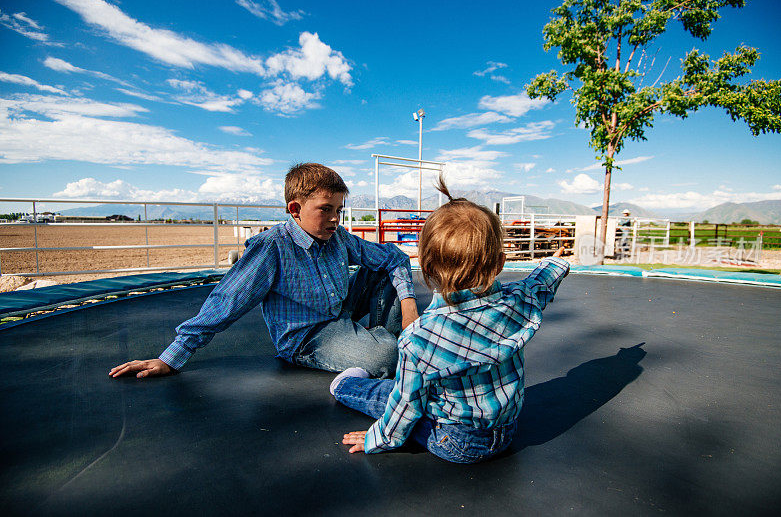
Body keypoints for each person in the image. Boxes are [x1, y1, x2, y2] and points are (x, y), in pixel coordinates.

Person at [329, 177, 570, 463]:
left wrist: (377, 438)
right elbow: (542, 282)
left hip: (457, 443)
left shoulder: (421, 336)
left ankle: (343, 387)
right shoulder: (519, 300)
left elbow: (405, 406)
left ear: (427, 267)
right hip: (506, 431)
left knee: (387, 393)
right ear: (501, 263)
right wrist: (556, 262)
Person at [109, 163, 419, 380]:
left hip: (340, 313)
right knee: (386, 357)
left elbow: (393, 256)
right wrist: (170, 359)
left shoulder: (338, 237)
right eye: (325, 209)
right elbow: (225, 302)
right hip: (309, 337)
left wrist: (408, 308)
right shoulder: (271, 249)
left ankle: (380, 341)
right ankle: (386, 348)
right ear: (294, 209)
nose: (335, 219)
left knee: (384, 270)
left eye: (338, 210)